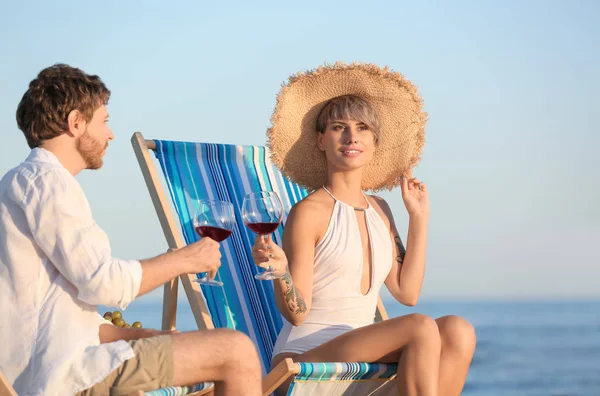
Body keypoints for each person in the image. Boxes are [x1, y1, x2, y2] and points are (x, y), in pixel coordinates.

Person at [0, 64, 261, 396]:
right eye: (104, 121)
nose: (110, 134)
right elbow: (102, 283)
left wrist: (139, 335)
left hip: (51, 368)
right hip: (63, 379)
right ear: (76, 122)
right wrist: (185, 260)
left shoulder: (23, 184)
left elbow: (54, 315)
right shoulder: (47, 182)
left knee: (210, 362)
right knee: (236, 351)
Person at [252, 63, 476, 396]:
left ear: (374, 141)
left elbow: (407, 293)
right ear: (320, 140)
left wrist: (419, 218)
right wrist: (282, 275)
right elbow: (297, 316)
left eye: (362, 128)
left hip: (363, 370)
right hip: (304, 365)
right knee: (419, 329)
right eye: (338, 127)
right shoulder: (308, 212)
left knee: (459, 331)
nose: (351, 136)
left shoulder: (380, 210)